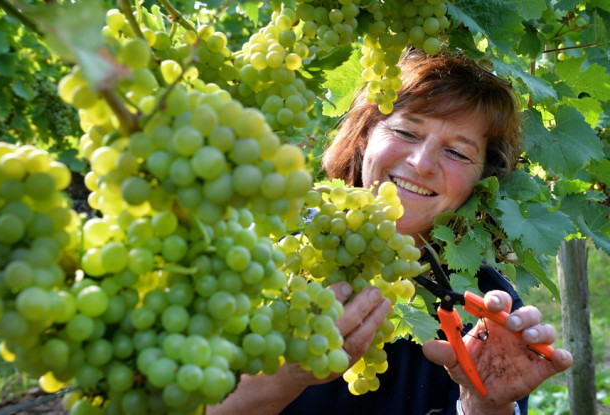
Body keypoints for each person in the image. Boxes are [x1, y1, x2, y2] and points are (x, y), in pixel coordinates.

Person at [207, 49, 573, 415]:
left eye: (458, 153)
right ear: (366, 134)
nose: (421, 163)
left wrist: (484, 407)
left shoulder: (488, 306)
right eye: (405, 132)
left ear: (481, 180)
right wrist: (285, 376)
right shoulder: (267, 254)